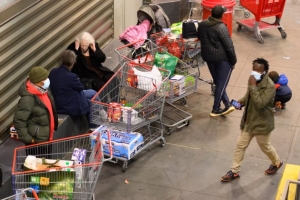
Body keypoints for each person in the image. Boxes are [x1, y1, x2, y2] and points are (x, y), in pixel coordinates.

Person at [221, 58, 282, 182]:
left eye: (258, 70)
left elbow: (260, 103)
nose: (255, 72)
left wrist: (253, 86)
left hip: (262, 124)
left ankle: (277, 162)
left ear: (264, 71)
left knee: (265, 146)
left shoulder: (269, 86)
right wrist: (241, 102)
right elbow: (248, 94)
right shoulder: (252, 80)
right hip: (248, 122)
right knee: (240, 146)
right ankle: (234, 171)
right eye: (253, 69)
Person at [197, 5, 237, 117]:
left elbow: (199, 36)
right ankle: (216, 108)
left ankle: (227, 104)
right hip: (222, 60)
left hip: (209, 58)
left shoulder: (202, 24)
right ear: (221, 15)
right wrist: (233, 62)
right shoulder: (221, 27)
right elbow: (229, 46)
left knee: (219, 82)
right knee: (221, 84)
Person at [13, 67, 58, 157]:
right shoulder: (27, 100)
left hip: (47, 138)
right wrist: (29, 140)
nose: (47, 80)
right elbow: (19, 121)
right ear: (37, 82)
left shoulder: (44, 91)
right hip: (36, 143)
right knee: (38, 169)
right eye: (44, 79)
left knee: (46, 164)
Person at [48, 50, 98, 124]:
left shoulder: (53, 72)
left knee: (93, 93)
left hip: (60, 101)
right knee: (91, 102)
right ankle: (95, 125)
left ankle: (100, 114)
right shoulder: (72, 77)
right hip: (70, 106)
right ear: (73, 63)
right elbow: (80, 87)